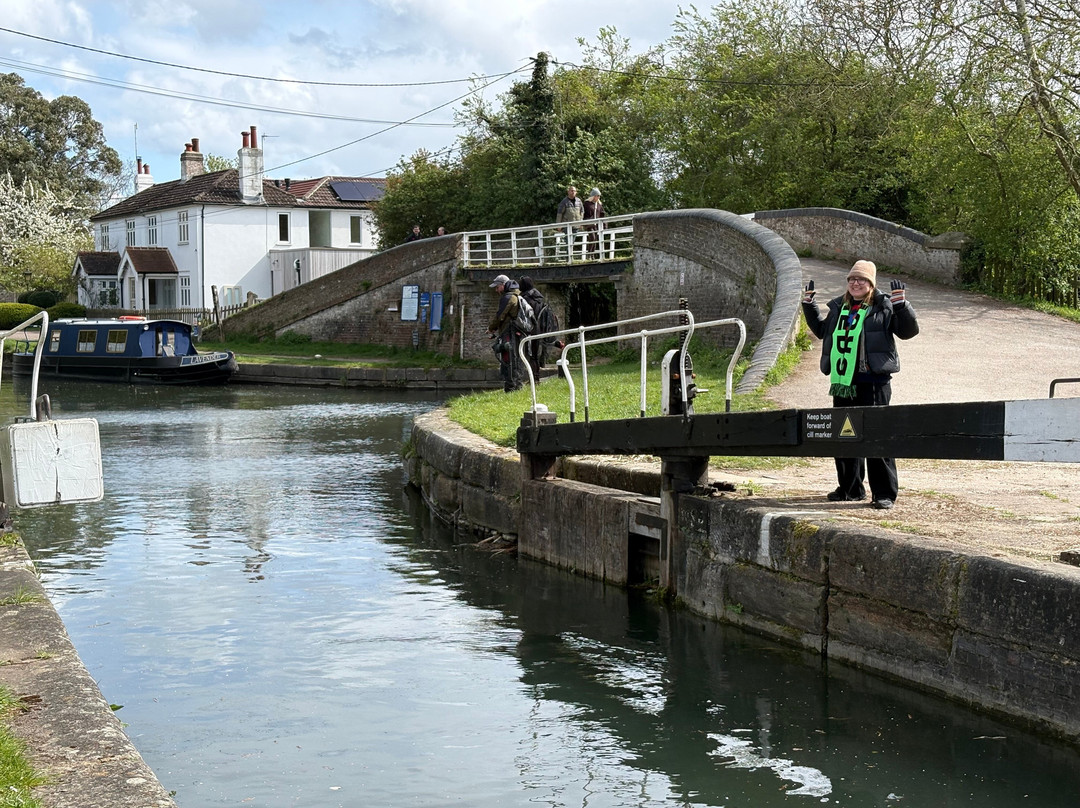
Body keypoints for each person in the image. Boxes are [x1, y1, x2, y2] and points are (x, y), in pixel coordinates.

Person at [801, 260, 919, 510]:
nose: (856, 283)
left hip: (873, 381)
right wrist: (809, 306)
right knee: (845, 437)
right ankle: (850, 489)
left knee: (877, 438)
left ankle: (884, 493)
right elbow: (823, 332)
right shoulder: (838, 307)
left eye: (862, 280)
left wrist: (901, 305)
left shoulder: (883, 305)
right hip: (844, 382)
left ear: (871, 284)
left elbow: (907, 332)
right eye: (852, 279)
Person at [486, 274, 525, 392]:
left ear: (503, 285)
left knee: (509, 359)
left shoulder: (508, 297)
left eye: (497, 287)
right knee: (516, 359)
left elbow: (500, 316)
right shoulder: (518, 295)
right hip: (518, 332)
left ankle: (510, 388)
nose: (496, 290)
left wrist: (491, 328)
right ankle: (517, 385)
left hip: (510, 332)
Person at [517, 276, 549, 379]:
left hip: (529, 330)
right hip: (540, 329)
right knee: (535, 355)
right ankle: (536, 377)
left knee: (528, 355)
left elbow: (523, 315)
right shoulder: (540, 298)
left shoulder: (525, 299)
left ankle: (532, 379)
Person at [582, 187, 605, 258]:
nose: (598, 197)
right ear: (593, 196)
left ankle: (592, 255)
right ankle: (589, 254)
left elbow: (602, 214)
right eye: (597, 195)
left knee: (595, 239)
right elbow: (583, 213)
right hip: (589, 224)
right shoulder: (587, 204)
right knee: (592, 237)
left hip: (596, 225)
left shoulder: (599, 205)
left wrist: (604, 225)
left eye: (599, 196)